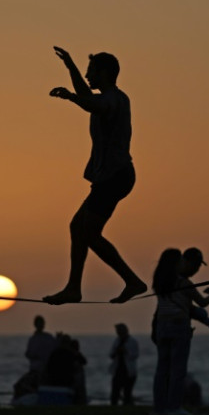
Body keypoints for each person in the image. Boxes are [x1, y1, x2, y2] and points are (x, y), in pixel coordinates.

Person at [44, 47, 146, 305]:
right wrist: (70, 66)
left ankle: (132, 281)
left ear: (105, 73)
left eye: (91, 72)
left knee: (89, 233)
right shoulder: (107, 98)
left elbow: (90, 103)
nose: (88, 76)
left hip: (116, 177)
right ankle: (73, 288)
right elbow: (87, 97)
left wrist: (69, 96)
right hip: (109, 178)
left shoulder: (115, 99)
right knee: (78, 228)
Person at [152, 248, 209, 415]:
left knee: (162, 371)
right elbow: (202, 303)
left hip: (162, 327)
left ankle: (160, 408)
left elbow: (182, 306)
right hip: (178, 327)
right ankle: (174, 407)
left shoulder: (160, 282)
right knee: (178, 370)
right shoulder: (184, 283)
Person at [13, 315, 58, 400]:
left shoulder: (48, 338)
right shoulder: (34, 339)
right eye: (39, 323)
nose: (40, 325)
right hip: (34, 371)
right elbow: (29, 354)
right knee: (18, 386)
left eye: (41, 323)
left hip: (43, 371)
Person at [109, 323, 139, 406]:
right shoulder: (117, 341)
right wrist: (116, 352)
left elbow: (135, 355)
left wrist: (125, 351)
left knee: (127, 392)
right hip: (118, 369)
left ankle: (127, 405)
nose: (118, 333)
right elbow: (111, 354)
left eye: (119, 331)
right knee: (115, 391)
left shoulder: (132, 341)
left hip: (128, 371)